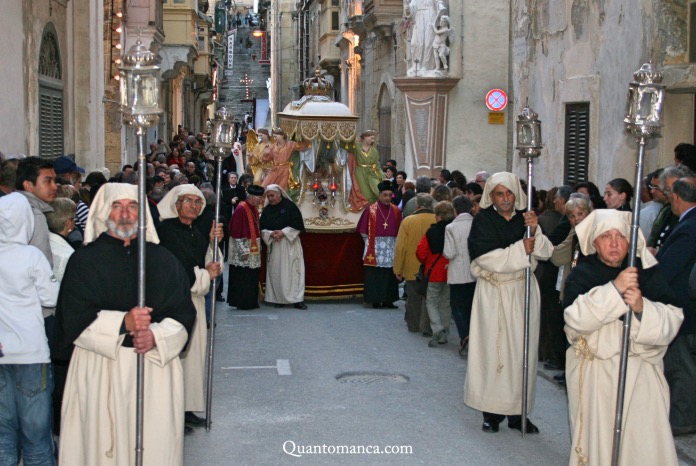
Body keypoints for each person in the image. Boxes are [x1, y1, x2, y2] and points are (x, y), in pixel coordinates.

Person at [53, 183, 196, 465]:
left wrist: (157, 335)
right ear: (105, 212)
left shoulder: (164, 260)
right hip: (100, 369)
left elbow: (183, 313)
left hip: (153, 368)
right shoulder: (83, 261)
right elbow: (71, 319)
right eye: (117, 206)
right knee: (100, 444)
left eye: (132, 207)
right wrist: (122, 322)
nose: (125, 214)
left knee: (153, 447)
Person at [563, 209, 682, 465]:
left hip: (641, 376)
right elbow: (575, 320)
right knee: (601, 446)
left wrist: (642, 309)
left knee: (642, 445)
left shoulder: (647, 274)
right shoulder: (582, 276)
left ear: (630, 241)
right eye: (606, 236)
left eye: (620, 236)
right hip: (598, 376)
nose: (614, 243)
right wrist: (615, 290)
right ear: (594, 242)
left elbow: (673, 320)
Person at [463, 171, 553, 433]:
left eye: (509, 193)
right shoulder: (483, 222)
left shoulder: (526, 220)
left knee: (522, 354)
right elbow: (483, 259)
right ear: (491, 196)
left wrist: (535, 230)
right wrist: (519, 250)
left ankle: (518, 413)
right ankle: (491, 414)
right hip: (493, 294)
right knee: (493, 353)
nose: (505, 198)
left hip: (522, 291)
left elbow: (546, 252)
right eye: (500, 194)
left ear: (517, 195)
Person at [0, 193, 60, 465]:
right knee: (36, 437)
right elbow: (51, 298)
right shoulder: (31, 255)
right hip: (31, 353)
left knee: (4, 436)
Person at [157, 185, 223, 430]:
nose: (194, 206)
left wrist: (212, 244)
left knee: (194, 358)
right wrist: (205, 275)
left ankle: (186, 407)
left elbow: (205, 262)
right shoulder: (166, 232)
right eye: (188, 201)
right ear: (175, 203)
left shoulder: (192, 230)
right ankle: (174, 411)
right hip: (175, 303)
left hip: (194, 302)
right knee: (179, 359)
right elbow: (177, 272)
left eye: (198, 202)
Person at [656, 176, 696, 435]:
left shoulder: (689, 226)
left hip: (684, 308)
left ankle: (682, 419)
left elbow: (669, 268)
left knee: (681, 367)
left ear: (677, 198)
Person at [393, 193, 436, 334]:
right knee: (430, 297)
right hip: (432, 266)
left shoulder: (408, 221)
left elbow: (400, 247)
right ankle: (428, 326)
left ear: (417, 205)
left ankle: (414, 325)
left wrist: (398, 269)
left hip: (412, 265)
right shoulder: (436, 219)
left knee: (413, 297)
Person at [260, 184, 308, 309]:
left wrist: (284, 233)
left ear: (279, 194)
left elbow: (297, 225)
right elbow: (262, 228)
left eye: (272, 195)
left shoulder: (290, 206)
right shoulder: (267, 210)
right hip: (275, 246)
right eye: (268, 196)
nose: (270, 199)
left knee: (294, 272)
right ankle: (278, 299)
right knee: (276, 273)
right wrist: (270, 233)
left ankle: (297, 300)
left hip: (289, 245)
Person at [357, 180, 402, 308]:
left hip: (391, 245)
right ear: (379, 195)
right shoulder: (370, 210)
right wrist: (370, 243)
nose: (388, 198)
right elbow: (363, 231)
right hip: (375, 246)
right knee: (375, 273)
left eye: (390, 195)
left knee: (389, 273)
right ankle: (375, 299)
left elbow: (400, 230)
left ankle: (389, 300)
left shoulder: (396, 211)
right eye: (385, 195)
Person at [417, 201, 455, 347]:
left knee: (431, 301)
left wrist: (426, 262)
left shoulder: (432, 231)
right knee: (445, 303)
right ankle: (444, 333)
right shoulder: (453, 230)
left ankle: (437, 328)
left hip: (434, 272)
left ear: (438, 215)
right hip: (450, 271)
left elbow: (421, 252)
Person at [443, 195, 476, 356]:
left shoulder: (451, 228)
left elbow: (449, 252)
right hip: (475, 271)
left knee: (457, 306)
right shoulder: (476, 224)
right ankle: (473, 335)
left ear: (455, 210)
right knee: (471, 306)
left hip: (457, 273)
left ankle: (465, 335)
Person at [227, 185, 265, 310]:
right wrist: (243, 250)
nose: (260, 200)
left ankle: (250, 301)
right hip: (243, 249)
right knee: (243, 275)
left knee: (251, 275)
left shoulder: (253, 208)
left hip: (253, 248)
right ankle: (243, 302)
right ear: (252, 197)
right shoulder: (241, 209)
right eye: (259, 198)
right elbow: (236, 231)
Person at [346, 130, 386, 211]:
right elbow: (347, 145)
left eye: (374, 138)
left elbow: (377, 165)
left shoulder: (374, 151)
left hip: (372, 172)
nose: (373, 140)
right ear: (364, 137)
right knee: (365, 192)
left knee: (377, 188)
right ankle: (367, 209)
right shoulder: (356, 147)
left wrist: (382, 176)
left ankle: (378, 207)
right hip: (360, 172)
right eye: (371, 138)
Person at [262, 129, 310, 193]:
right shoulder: (273, 146)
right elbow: (266, 161)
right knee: (265, 186)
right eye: (273, 136)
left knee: (281, 189)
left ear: (282, 136)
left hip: (285, 170)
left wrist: (308, 137)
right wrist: (265, 154)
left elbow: (303, 146)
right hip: (274, 170)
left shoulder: (290, 145)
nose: (274, 138)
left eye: (276, 136)